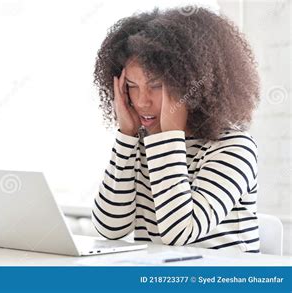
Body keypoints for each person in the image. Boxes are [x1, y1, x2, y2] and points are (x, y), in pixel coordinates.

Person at [92, 7, 260, 252]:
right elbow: (109, 227)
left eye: (156, 86)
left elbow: (180, 233)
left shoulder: (235, 148)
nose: (141, 101)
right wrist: (127, 136)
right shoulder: (143, 143)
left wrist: (170, 137)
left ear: (191, 84)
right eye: (131, 86)